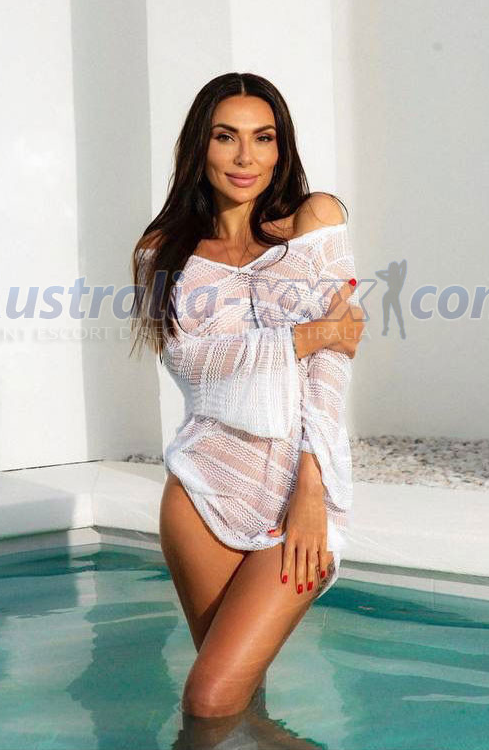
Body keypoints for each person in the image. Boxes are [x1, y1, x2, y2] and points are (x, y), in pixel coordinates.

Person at [130, 72, 365, 725]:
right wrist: (309, 332)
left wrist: (312, 490)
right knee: (235, 706)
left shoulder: (315, 220)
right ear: (199, 147)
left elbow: (331, 368)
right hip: (203, 486)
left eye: (262, 138)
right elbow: (196, 365)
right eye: (225, 137)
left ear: (280, 147)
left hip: (300, 492)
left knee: (208, 699)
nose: (245, 157)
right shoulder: (163, 251)